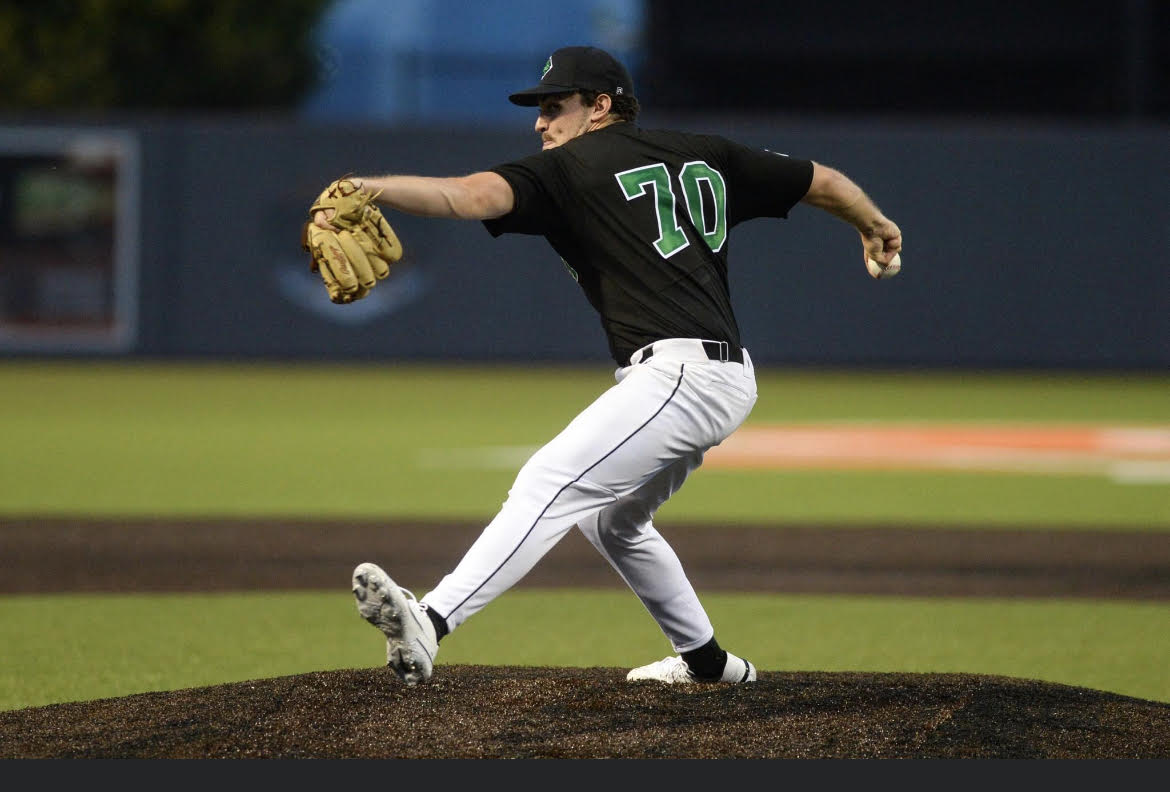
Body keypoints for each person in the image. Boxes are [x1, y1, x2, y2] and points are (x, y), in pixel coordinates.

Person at [330, 45, 903, 686]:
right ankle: (711, 665)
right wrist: (873, 223)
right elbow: (820, 180)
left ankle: (430, 622)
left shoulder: (570, 168)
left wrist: (371, 188)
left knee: (550, 479)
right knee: (615, 521)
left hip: (680, 375)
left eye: (555, 107)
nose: (541, 124)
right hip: (717, 375)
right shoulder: (704, 152)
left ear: (600, 107)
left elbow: (466, 196)